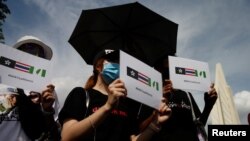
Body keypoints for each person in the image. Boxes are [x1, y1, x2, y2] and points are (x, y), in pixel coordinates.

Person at [58, 49, 172, 141]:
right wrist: (107, 107)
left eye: (121, 62)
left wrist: (154, 124)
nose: (119, 65)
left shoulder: (125, 101)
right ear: (98, 66)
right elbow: (67, 136)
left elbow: (132, 138)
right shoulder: (81, 94)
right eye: (114, 60)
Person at [138, 55, 218, 141]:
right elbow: (140, 129)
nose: (171, 66)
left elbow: (198, 126)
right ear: (158, 70)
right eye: (167, 63)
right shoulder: (150, 94)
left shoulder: (187, 95)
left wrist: (208, 106)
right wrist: (155, 111)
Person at [0, 35, 60, 141]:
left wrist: (47, 110)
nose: (33, 55)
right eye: (26, 50)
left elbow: (53, 131)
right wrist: (8, 103)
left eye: (39, 53)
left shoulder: (47, 91)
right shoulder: (2, 82)